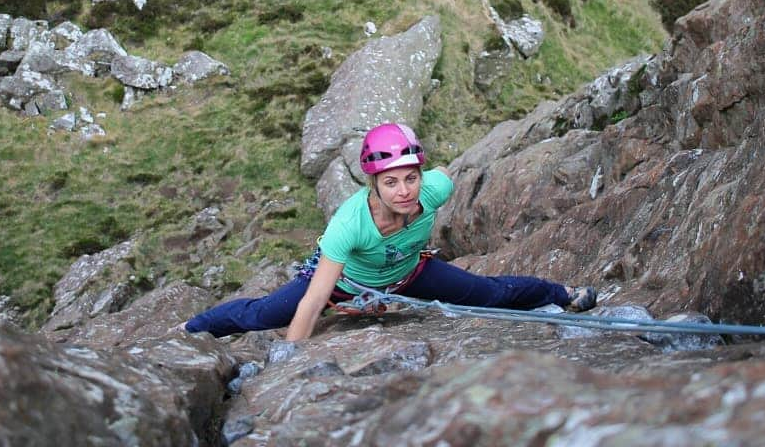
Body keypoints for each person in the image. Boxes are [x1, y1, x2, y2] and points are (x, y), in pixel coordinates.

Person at [185, 122, 597, 340]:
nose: (404, 192)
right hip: (345, 284)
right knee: (261, 315)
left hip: (410, 274)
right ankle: (191, 329)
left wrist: (428, 179)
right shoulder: (349, 224)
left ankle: (562, 295)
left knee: (491, 294)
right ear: (374, 185)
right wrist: (291, 359)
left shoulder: (433, 189)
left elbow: (441, 174)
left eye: (410, 179)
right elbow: (313, 302)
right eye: (390, 182)